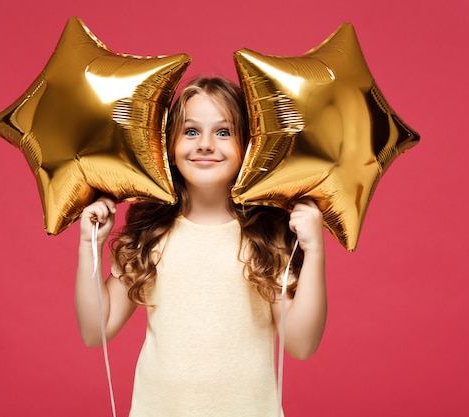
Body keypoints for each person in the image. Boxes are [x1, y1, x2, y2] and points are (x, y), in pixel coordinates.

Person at [75, 77, 327, 416]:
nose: (205, 144)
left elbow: (301, 344)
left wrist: (314, 252)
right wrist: (88, 245)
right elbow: (96, 331)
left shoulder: (268, 235)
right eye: (191, 131)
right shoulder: (150, 232)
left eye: (223, 132)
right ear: (169, 144)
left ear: (249, 146)